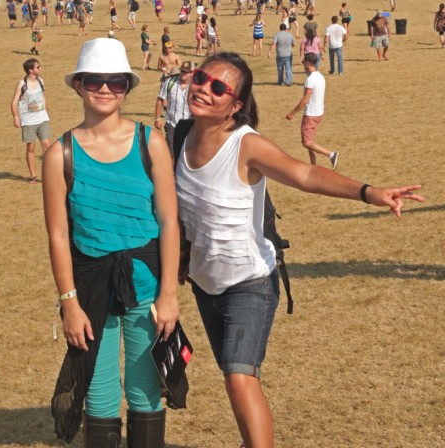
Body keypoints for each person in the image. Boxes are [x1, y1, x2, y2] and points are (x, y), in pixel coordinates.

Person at [174, 52, 423, 448]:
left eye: (219, 87)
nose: (204, 88)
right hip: (206, 283)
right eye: (202, 78)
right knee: (235, 377)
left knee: (240, 377)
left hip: (250, 281)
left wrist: (370, 192)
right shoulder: (179, 135)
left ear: (235, 106)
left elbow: (305, 174)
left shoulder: (247, 145)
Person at [42, 38, 179, 448]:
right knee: (99, 398)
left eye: (115, 81)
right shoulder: (59, 154)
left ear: (127, 86)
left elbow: (170, 221)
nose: (105, 89)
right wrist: (69, 303)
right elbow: (58, 235)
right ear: (78, 85)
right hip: (89, 292)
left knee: (146, 391)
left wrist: (169, 293)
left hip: (146, 289)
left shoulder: (150, 142)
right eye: (95, 81)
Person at [286, 52, 339, 168]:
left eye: (304, 61)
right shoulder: (320, 76)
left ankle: (331, 155)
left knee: (307, 142)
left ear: (308, 63)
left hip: (311, 114)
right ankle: (313, 166)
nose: (303, 63)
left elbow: (305, 99)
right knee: (310, 141)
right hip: (319, 112)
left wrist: (293, 112)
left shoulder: (310, 79)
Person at [10, 58, 51, 183]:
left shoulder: (40, 81)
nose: (40, 69)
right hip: (28, 121)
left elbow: (43, 97)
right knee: (31, 148)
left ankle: (48, 175)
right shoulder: (22, 84)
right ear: (30, 70)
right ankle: (33, 176)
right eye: (38, 67)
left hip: (42, 119)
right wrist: (15, 117)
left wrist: (46, 112)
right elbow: (14, 102)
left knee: (47, 147)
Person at [154, 60, 194, 155]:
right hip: (172, 124)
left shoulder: (196, 86)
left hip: (190, 126)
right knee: (172, 154)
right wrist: (157, 118)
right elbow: (160, 99)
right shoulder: (169, 82)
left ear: (192, 73)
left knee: (187, 154)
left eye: (186, 72)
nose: (183, 73)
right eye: (182, 71)